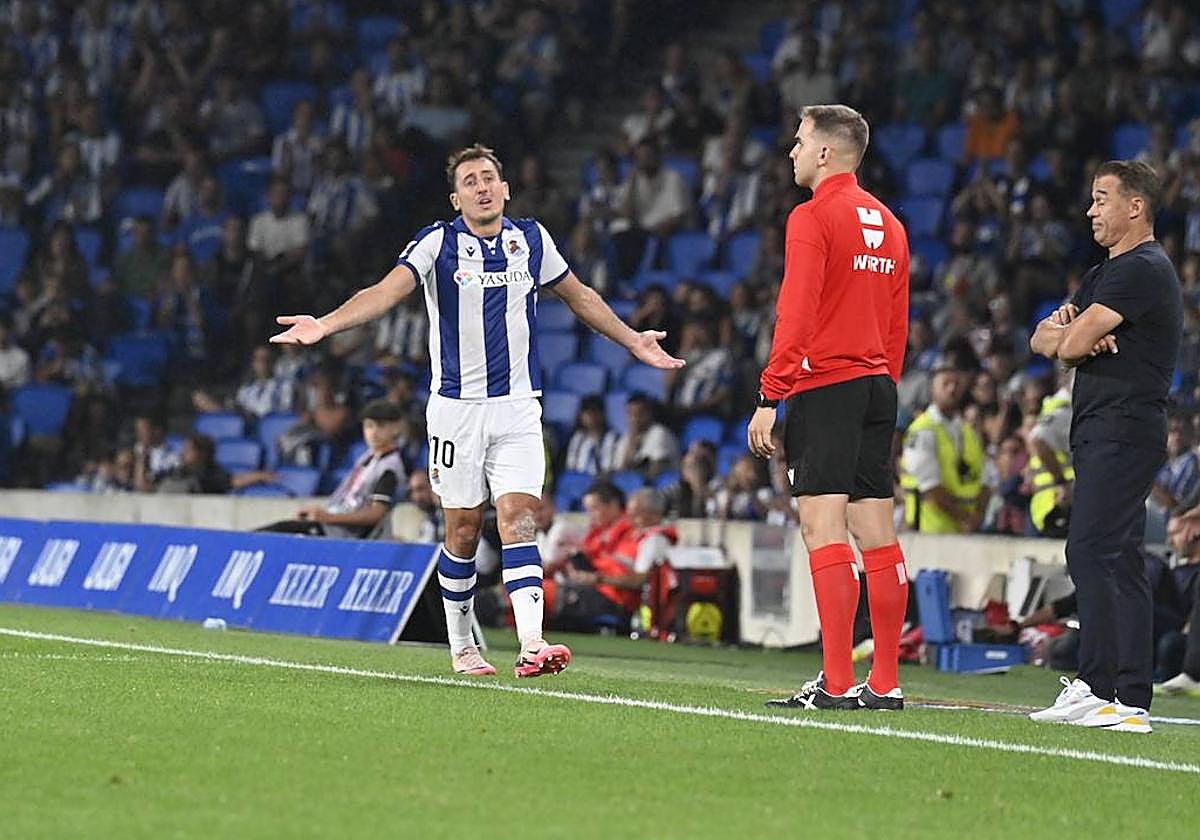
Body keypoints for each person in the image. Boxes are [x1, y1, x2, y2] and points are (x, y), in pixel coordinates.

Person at [269, 143, 683, 678]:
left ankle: (533, 645)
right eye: (471, 181)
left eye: (490, 177)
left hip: (517, 408)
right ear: (456, 197)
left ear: (506, 188)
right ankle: (463, 644)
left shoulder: (532, 240)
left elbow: (580, 296)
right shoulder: (437, 243)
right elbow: (387, 291)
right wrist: (325, 324)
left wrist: (633, 341)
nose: (483, 187)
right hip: (456, 412)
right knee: (462, 530)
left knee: (519, 519)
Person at [747, 105, 911, 711]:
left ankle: (838, 682)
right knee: (876, 531)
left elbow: (798, 311)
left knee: (821, 527)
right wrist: (883, 382)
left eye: (798, 142)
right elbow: (897, 322)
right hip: (876, 385)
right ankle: (886, 682)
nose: (791, 152)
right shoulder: (889, 223)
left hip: (827, 384)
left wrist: (772, 394)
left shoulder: (813, 217)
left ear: (824, 153)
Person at [1029, 160, 1183, 734]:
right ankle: (1128, 698)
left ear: (1135, 206)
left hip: (1124, 426)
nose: (1091, 210)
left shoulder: (1141, 269)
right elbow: (1044, 336)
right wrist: (1071, 338)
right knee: (1116, 557)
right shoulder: (1105, 274)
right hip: (1102, 427)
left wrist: (1071, 340)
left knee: (1092, 551)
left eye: (1101, 199)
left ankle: (1100, 688)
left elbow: (1068, 345)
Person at [260, 400, 407, 539]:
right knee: (269, 532)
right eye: (369, 426)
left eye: (380, 426)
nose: (373, 433)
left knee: (273, 535)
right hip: (333, 525)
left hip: (349, 535)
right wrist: (322, 513)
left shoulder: (389, 468)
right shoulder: (366, 458)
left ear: (395, 428)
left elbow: (376, 513)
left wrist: (328, 517)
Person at [557, 488, 677, 631]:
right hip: (602, 592)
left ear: (654, 515)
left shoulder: (655, 540)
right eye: (630, 513)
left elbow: (639, 581)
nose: (630, 519)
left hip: (618, 602)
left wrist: (597, 579)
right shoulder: (633, 535)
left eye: (636, 514)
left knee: (552, 595)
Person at [900, 363, 989, 534]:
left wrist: (977, 516)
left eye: (956, 384)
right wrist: (966, 519)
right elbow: (930, 487)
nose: (952, 389)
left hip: (964, 531)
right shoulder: (922, 430)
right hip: (929, 530)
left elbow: (987, 478)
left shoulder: (968, 432)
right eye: (945, 384)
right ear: (932, 390)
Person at [1027, 368, 1074, 537]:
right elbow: (1038, 440)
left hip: (1047, 502)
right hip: (1055, 505)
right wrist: (1061, 482)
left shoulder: (1055, 406)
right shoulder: (1064, 411)